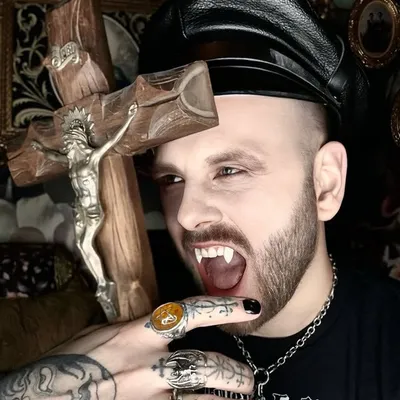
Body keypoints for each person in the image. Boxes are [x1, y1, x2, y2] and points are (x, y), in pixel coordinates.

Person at [1, 0, 400, 399]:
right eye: (172, 178)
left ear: (325, 184)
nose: (186, 215)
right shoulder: (137, 333)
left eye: (229, 170)